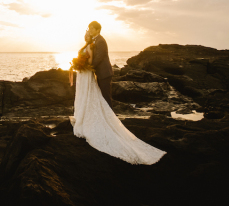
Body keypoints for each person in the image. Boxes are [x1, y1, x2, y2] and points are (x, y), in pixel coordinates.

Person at [70, 21, 165, 165]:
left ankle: (110, 120)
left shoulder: (101, 41)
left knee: (106, 96)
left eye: (91, 28)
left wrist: (88, 66)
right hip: (96, 73)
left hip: (104, 73)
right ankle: (107, 118)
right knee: (100, 97)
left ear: (97, 29)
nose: (89, 30)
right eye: (88, 28)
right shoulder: (95, 41)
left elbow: (99, 57)